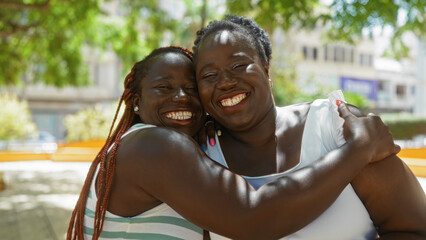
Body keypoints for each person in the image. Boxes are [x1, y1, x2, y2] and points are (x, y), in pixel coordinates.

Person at [67, 46, 399, 240]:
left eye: (193, 88)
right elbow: (254, 216)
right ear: (136, 102)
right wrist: (359, 150)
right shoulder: (153, 146)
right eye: (164, 88)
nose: (182, 97)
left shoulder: (165, 148)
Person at [192, 15, 426, 239]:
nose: (225, 82)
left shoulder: (337, 127)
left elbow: (414, 229)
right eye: (209, 74)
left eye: (239, 65)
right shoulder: (199, 157)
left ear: (265, 68)